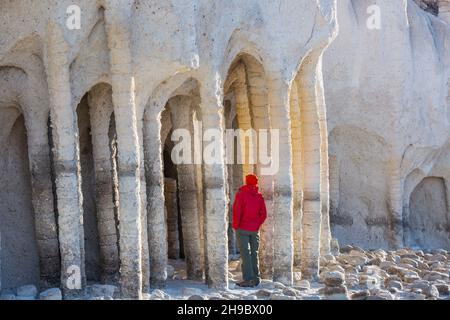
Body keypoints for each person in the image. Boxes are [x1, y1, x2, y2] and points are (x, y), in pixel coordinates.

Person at [232, 174, 267, 287]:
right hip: (254, 229)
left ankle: (248, 279)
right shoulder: (259, 196)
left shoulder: (241, 194)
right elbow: (263, 214)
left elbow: (237, 211)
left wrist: (236, 226)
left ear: (246, 181)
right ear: (256, 183)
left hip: (242, 228)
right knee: (254, 253)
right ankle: (256, 278)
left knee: (245, 253)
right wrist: (257, 224)